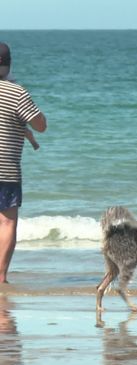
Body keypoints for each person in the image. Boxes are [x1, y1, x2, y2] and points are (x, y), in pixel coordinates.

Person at [0, 42, 47, 284]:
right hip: (5, 168)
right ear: (8, 64)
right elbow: (41, 125)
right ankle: (0, 277)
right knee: (6, 221)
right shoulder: (16, 93)